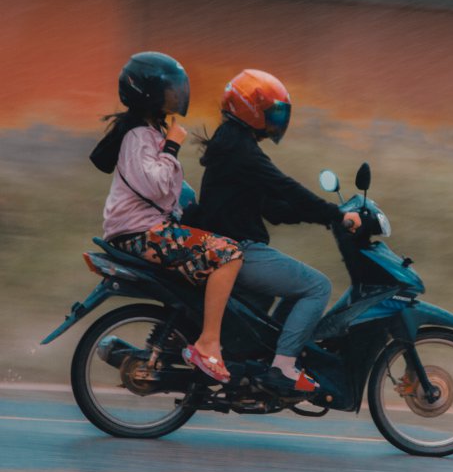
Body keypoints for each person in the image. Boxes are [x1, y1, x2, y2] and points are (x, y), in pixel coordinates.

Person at [188, 69, 361, 393]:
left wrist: (320, 217)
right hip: (237, 249)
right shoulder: (241, 149)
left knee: (294, 285)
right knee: (317, 287)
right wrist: (336, 214)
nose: (278, 120)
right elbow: (285, 186)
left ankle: (261, 356)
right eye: (273, 112)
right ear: (251, 109)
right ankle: (282, 368)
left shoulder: (233, 144)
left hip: (230, 243)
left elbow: (273, 208)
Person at [91, 51, 243, 384]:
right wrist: (172, 146)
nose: (177, 95)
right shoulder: (137, 136)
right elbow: (157, 186)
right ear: (147, 93)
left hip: (145, 228)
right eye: (169, 89)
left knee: (207, 254)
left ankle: (177, 340)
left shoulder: (145, 131)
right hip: (140, 233)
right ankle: (208, 344)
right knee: (228, 254)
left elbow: (167, 191)